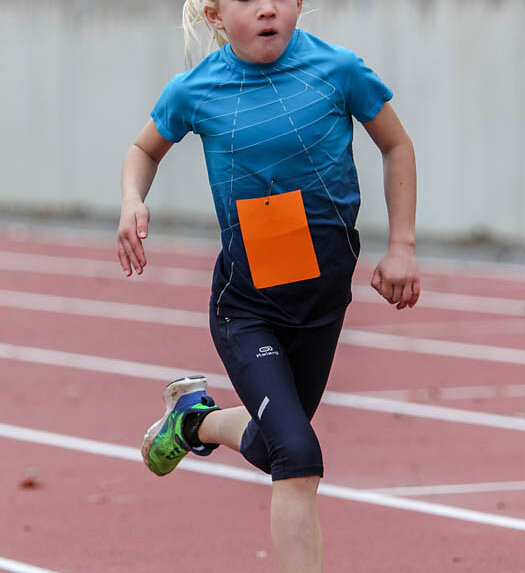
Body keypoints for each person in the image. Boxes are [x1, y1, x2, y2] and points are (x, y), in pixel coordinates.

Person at [117, 1, 420, 571]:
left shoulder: (339, 70)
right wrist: (133, 200)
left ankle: (192, 420)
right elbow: (143, 149)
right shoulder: (195, 90)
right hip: (247, 308)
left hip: (322, 303)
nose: (265, 9)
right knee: (297, 454)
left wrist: (401, 245)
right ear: (214, 15)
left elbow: (396, 145)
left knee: (271, 444)